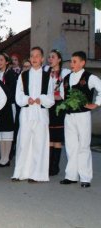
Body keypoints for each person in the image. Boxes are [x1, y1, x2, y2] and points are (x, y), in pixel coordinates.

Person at [12, 47, 55, 183]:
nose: (34, 58)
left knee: (39, 143)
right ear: (30, 59)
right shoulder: (23, 75)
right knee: (23, 142)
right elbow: (18, 95)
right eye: (32, 56)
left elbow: (51, 98)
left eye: (37, 56)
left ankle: (37, 174)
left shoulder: (48, 76)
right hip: (27, 112)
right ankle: (20, 173)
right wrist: (26, 100)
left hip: (41, 114)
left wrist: (41, 99)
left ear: (42, 59)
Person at [60, 51, 101, 188]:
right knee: (71, 146)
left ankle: (85, 177)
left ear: (83, 62)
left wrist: (96, 104)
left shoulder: (89, 77)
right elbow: (62, 93)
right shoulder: (66, 78)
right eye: (71, 61)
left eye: (75, 61)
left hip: (83, 116)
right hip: (69, 116)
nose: (72, 64)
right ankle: (71, 176)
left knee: (83, 146)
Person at [47, 49, 70, 176]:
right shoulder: (46, 72)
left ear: (59, 59)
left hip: (59, 107)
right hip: (49, 106)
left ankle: (55, 166)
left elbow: (68, 88)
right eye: (49, 57)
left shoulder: (65, 73)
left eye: (53, 57)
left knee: (57, 138)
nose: (50, 59)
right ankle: (49, 166)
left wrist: (61, 96)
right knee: (50, 137)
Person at [0, 53, 18, 167]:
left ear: (7, 62)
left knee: (8, 132)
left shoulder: (11, 74)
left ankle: (6, 157)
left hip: (8, 106)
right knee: (1, 133)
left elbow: (10, 91)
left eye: (1, 60)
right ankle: (2, 156)